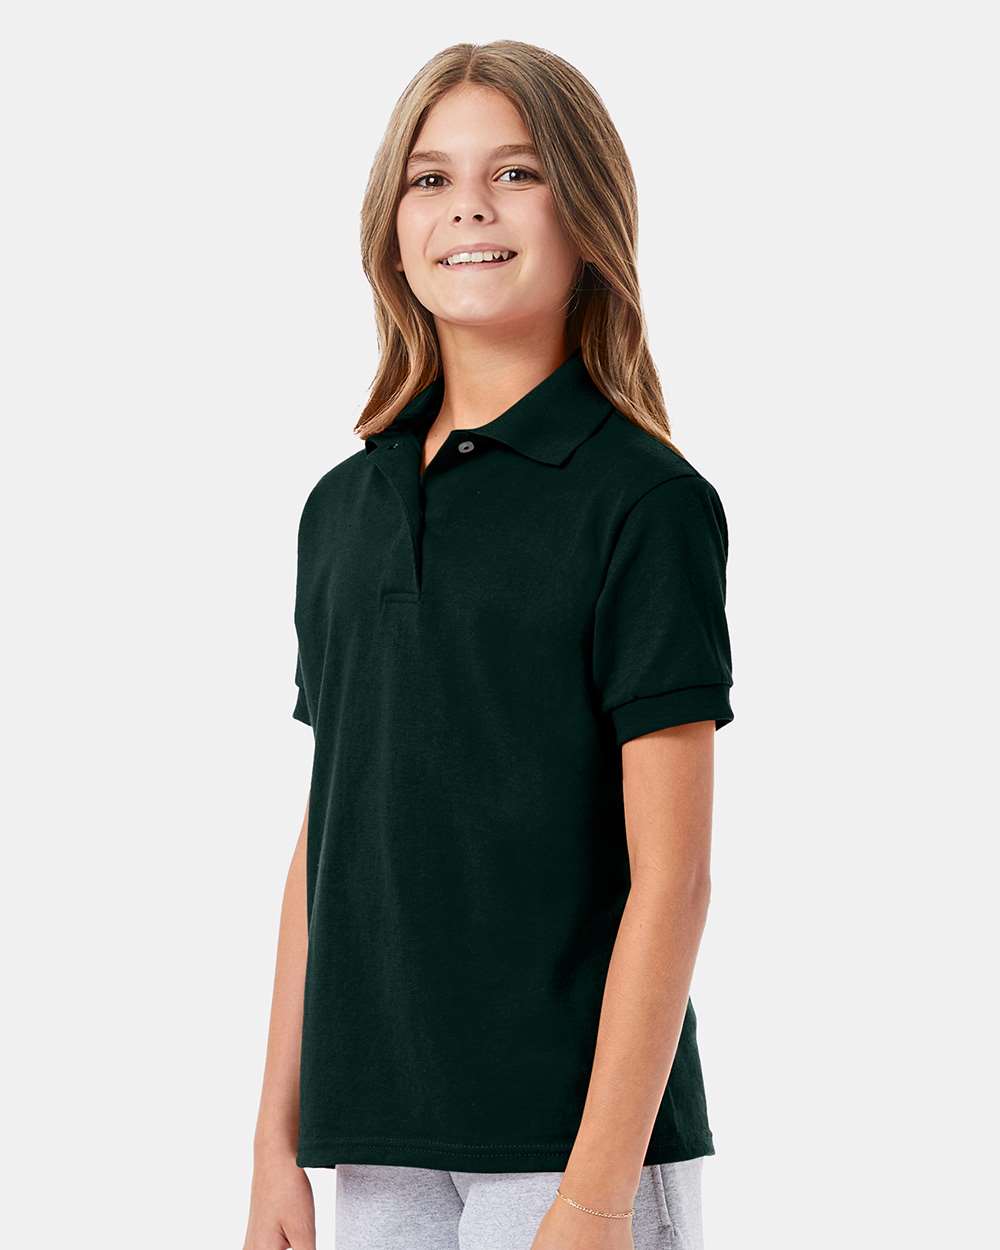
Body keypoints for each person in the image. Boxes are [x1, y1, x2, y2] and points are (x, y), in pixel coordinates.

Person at [243, 40, 734, 1250]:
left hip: (574, 1146)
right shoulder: (341, 509)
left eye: (515, 172)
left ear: (587, 216)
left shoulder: (643, 502)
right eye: (431, 178)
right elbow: (328, 841)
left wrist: (597, 1193)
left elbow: (672, 876)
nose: (468, 205)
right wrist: (273, 1146)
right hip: (380, 1137)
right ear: (391, 228)